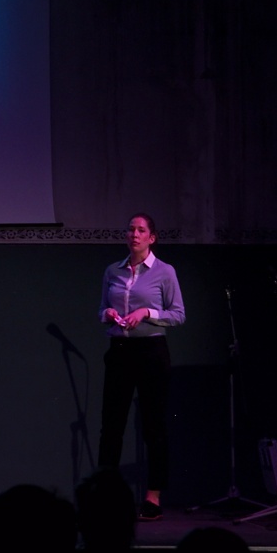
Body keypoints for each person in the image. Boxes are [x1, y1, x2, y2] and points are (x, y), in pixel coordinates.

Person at [96, 212, 186, 521]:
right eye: (131, 229)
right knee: (111, 425)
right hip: (120, 350)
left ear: (152, 237)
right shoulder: (113, 270)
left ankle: (153, 496)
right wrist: (108, 313)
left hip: (151, 352)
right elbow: (100, 309)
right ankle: (106, 492)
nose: (134, 234)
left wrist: (147, 312)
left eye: (141, 230)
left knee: (153, 425)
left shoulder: (164, 272)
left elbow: (178, 315)